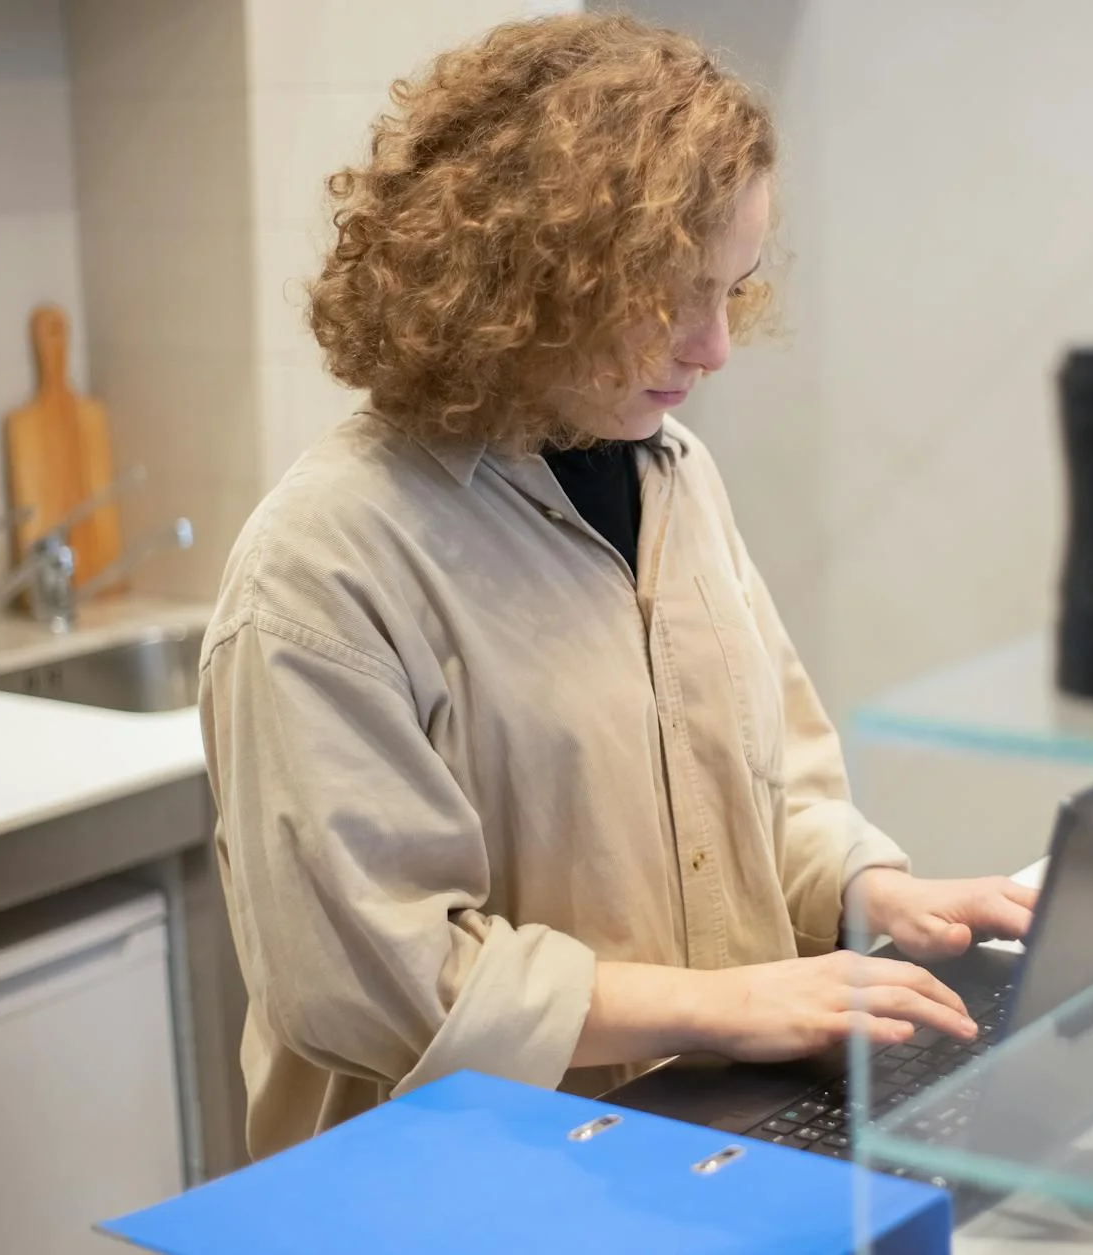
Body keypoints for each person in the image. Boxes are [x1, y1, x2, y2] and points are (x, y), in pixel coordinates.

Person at [199, 12, 1035, 1160]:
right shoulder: (325, 566)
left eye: (732, 292)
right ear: (525, 277)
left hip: (682, 1138)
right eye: (670, 296)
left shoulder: (672, 475)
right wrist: (726, 1005)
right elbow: (371, 983)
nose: (713, 348)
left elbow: (762, 789)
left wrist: (871, 890)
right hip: (454, 1185)